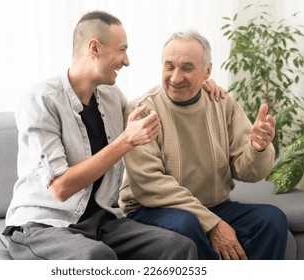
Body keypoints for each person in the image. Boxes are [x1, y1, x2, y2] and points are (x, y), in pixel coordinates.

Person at [3, 11, 225, 260]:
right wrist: (126, 141)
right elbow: (60, 188)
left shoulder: (111, 97)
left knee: (178, 246)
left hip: (101, 222)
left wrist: (199, 86)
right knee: (96, 257)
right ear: (95, 48)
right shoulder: (41, 100)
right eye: (122, 50)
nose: (127, 61)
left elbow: (153, 103)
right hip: (43, 225)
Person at [119, 30, 288, 260]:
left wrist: (258, 148)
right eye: (169, 67)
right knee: (187, 224)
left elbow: (247, 171)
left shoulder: (222, 102)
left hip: (213, 205)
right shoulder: (141, 111)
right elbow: (150, 184)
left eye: (187, 68)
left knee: (272, 219)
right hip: (152, 209)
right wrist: (212, 224)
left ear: (207, 71)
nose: (175, 78)